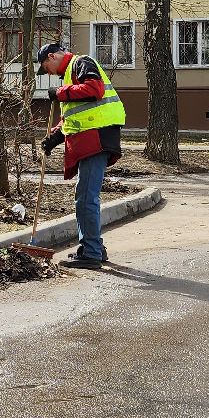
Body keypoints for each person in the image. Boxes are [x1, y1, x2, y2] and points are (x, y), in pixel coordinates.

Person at [36, 40, 126, 270]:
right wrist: (55, 137)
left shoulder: (81, 63)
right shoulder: (70, 74)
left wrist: (60, 93)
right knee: (85, 195)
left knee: (86, 197)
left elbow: (94, 90)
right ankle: (94, 247)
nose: (48, 73)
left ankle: (91, 252)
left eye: (46, 67)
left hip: (96, 138)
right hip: (91, 137)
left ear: (52, 57)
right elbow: (75, 118)